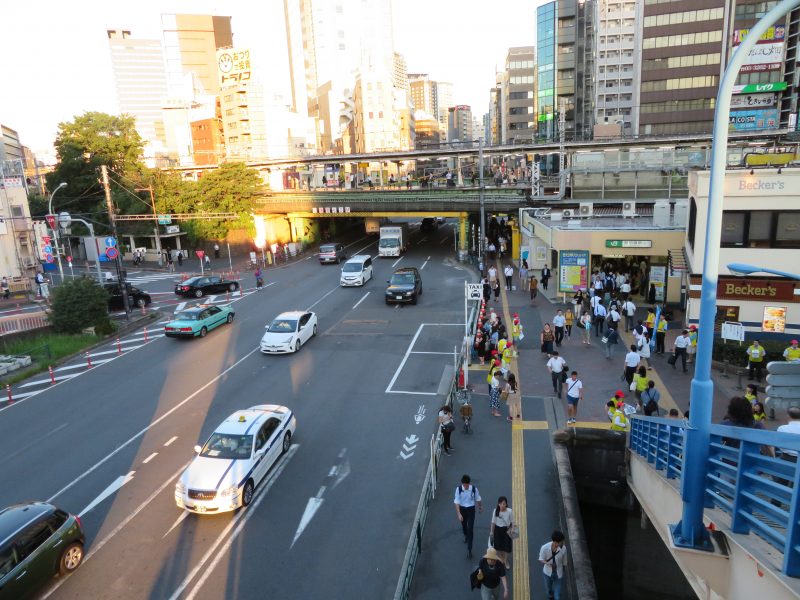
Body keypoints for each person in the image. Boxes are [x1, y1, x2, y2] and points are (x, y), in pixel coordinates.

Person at [454, 474, 482, 558]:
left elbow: (478, 498)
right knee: (464, 525)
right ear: (462, 483)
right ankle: (465, 534)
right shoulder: (458, 489)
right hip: (462, 509)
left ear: (469, 483)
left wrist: (480, 507)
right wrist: (459, 514)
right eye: (464, 484)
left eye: (466, 485)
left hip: (471, 509)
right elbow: (456, 502)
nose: (465, 486)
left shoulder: (473, 489)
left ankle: (469, 549)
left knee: (470, 528)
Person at [539, 530, 567, 600]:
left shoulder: (563, 548)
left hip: (558, 573)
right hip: (547, 573)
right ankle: (550, 595)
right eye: (561, 542)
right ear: (555, 542)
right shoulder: (544, 548)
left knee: (557, 596)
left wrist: (563, 569)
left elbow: (564, 561)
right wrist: (549, 564)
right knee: (549, 589)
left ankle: (555, 596)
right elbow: (541, 559)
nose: (563, 543)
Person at [490, 496, 514, 570]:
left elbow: (512, 521)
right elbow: (493, 522)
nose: (503, 505)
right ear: (499, 504)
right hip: (497, 530)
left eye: (505, 504)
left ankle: (505, 561)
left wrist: (512, 529)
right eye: (502, 504)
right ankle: (501, 558)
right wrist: (491, 532)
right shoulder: (495, 511)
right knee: (498, 547)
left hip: (506, 530)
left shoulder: (509, 511)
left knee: (506, 547)